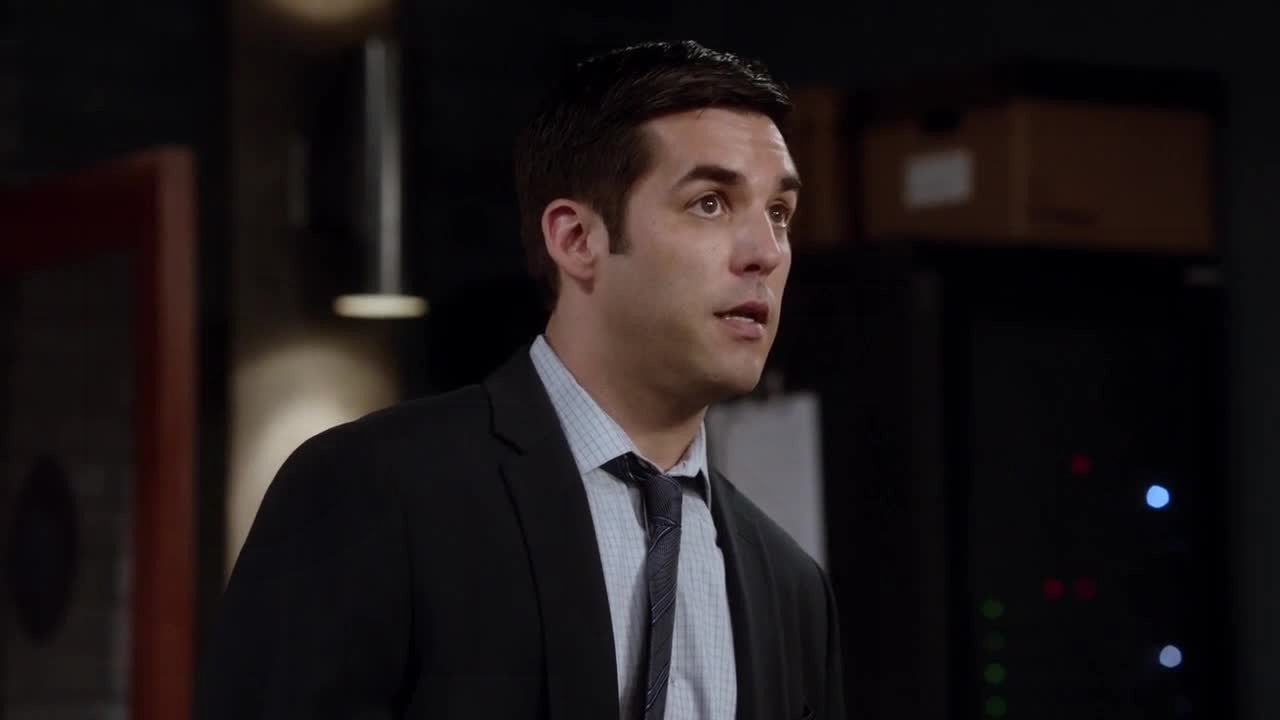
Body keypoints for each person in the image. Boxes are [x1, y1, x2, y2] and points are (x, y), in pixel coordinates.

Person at [196, 39, 845, 720]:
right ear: (576, 239)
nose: (767, 253)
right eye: (710, 202)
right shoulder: (371, 492)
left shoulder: (791, 589)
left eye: (779, 213)